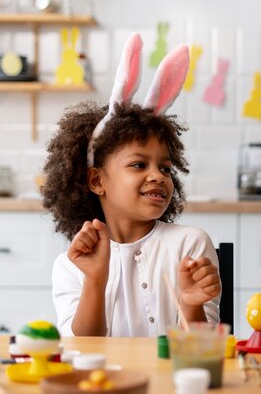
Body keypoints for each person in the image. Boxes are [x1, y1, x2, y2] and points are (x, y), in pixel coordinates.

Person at [42, 33, 221, 337]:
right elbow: (83, 350)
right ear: (98, 181)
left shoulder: (189, 244)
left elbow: (199, 348)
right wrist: (96, 280)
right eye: (139, 165)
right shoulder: (72, 263)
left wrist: (191, 303)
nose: (158, 176)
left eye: (165, 167)